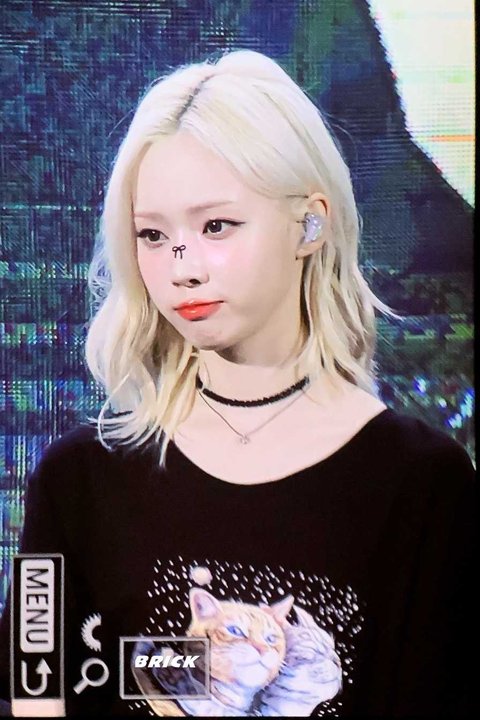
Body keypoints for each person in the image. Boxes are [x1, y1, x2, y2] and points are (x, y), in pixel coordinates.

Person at [0, 50, 474, 717]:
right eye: (153, 235)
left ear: (310, 223)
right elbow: (33, 693)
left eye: (215, 225)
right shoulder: (76, 481)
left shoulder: (425, 486)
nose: (182, 267)